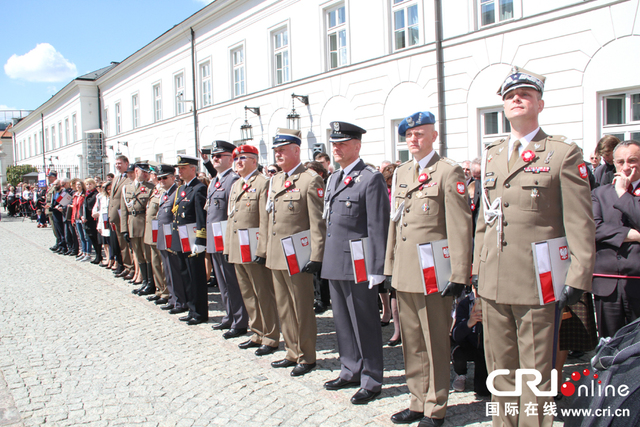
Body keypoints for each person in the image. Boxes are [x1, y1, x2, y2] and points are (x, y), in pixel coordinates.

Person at [473, 67, 595, 427]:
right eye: (510, 96)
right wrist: (478, 270)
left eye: (524, 94)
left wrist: (578, 274)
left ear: (539, 103)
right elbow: (486, 219)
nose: (516, 99)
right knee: (500, 371)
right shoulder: (493, 155)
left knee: (536, 372)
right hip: (494, 280)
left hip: (537, 281)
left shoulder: (561, 153)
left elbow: (580, 221)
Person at [384, 111, 472, 427]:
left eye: (420, 133)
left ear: (434, 136)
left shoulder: (448, 172)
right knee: (412, 341)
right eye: (409, 134)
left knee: (435, 341)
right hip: (406, 270)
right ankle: (416, 400)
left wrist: (460, 273)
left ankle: (436, 407)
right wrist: (389, 267)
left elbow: (460, 227)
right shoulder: (403, 172)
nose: (414, 139)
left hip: (436, 272)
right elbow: (396, 223)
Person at [321, 121, 389, 404]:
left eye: (343, 143)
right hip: (335, 260)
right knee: (342, 322)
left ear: (357, 146)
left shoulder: (370, 178)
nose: (336, 148)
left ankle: (371, 378)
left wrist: (377, 268)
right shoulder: (334, 177)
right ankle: (350, 368)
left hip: (360, 263)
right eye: (334, 143)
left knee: (365, 323)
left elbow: (378, 226)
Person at [261, 128, 326, 377]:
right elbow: (270, 217)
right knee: (284, 306)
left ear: (296, 151)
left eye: (282, 150)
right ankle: (291, 350)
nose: (277, 154)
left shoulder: (310, 179)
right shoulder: (276, 180)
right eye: (276, 150)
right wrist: (265, 249)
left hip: (298, 254)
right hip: (278, 252)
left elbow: (317, 222)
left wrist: (316, 256)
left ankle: (307, 356)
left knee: (301, 307)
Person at [223, 145, 280, 356]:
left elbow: (265, 220)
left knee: (263, 292)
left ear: (254, 161)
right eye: (236, 158)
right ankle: (256, 332)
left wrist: (262, 249)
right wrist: (228, 247)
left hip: (255, 247)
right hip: (239, 247)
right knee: (248, 293)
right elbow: (231, 218)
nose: (238, 162)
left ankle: (271, 336)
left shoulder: (263, 183)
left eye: (243, 158)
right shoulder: (237, 185)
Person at [591, 140, 640, 338]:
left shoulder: (622, 193)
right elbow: (593, 229)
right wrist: (633, 235)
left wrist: (622, 193)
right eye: (620, 162)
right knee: (609, 344)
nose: (626, 166)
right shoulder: (599, 194)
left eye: (633, 161)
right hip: (607, 282)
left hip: (637, 279)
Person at [202, 141, 249, 338]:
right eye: (214, 156)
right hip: (215, 237)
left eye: (220, 155)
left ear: (231, 158)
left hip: (227, 238)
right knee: (222, 281)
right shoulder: (215, 181)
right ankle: (229, 316)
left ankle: (239, 321)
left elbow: (233, 213)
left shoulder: (233, 180)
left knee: (232, 281)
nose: (215, 158)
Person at [171, 155, 208, 325]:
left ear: (193, 169)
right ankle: (191, 309)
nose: (180, 171)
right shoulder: (182, 189)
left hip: (193, 238)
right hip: (182, 237)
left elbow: (201, 216)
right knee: (186, 275)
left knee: (196, 277)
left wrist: (200, 240)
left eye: (183, 168)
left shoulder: (199, 188)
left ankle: (200, 312)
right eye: (179, 168)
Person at [122, 162, 156, 296]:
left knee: (147, 255)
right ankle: (144, 281)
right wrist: (124, 229)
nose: (146, 174)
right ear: (136, 171)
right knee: (138, 255)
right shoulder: (127, 188)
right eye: (144, 172)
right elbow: (124, 210)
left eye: (147, 172)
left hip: (144, 224)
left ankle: (150, 283)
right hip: (132, 224)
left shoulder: (150, 187)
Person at [450, 292, 489, 396]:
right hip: (468, 344)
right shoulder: (465, 303)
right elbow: (455, 335)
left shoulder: (492, 303)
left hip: (486, 347)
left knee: (483, 390)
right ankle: (460, 374)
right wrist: (469, 323)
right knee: (458, 353)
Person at [143, 166, 170, 306]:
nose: (149, 176)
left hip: (159, 231)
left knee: (161, 262)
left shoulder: (162, 191)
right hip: (151, 230)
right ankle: (159, 289)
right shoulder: (155, 190)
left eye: (152, 174)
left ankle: (166, 291)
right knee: (154, 261)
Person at [108, 155, 133, 277]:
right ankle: (126, 266)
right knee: (121, 244)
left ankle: (132, 267)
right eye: (116, 163)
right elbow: (112, 199)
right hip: (115, 216)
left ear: (126, 163)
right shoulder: (116, 178)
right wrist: (109, 214)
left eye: (120, 163)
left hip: (124, 216)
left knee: (128, 244)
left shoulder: (129, 178)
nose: (117, 165)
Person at [82, 178, 102, 264]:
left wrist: (88, 217)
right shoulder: (86, 194)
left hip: (93, 219)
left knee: (96, 238)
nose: (88, 186)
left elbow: (94, 208)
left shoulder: (95, 194)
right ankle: (98, 255)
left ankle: (99, 256)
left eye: (90, 184)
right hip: (87, 220)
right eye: (87, 184)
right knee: (91, 238)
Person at [72, 180, 90, 261]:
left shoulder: (84, 195)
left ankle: (88, 253)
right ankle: (83, 251)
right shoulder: (75, 195)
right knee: (81, 237)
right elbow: (74, 208)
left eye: (79, 184)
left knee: (86, 237)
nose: (78, 186)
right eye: (77, 185)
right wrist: (73, 218)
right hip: (76, 217)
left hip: (82, 217)